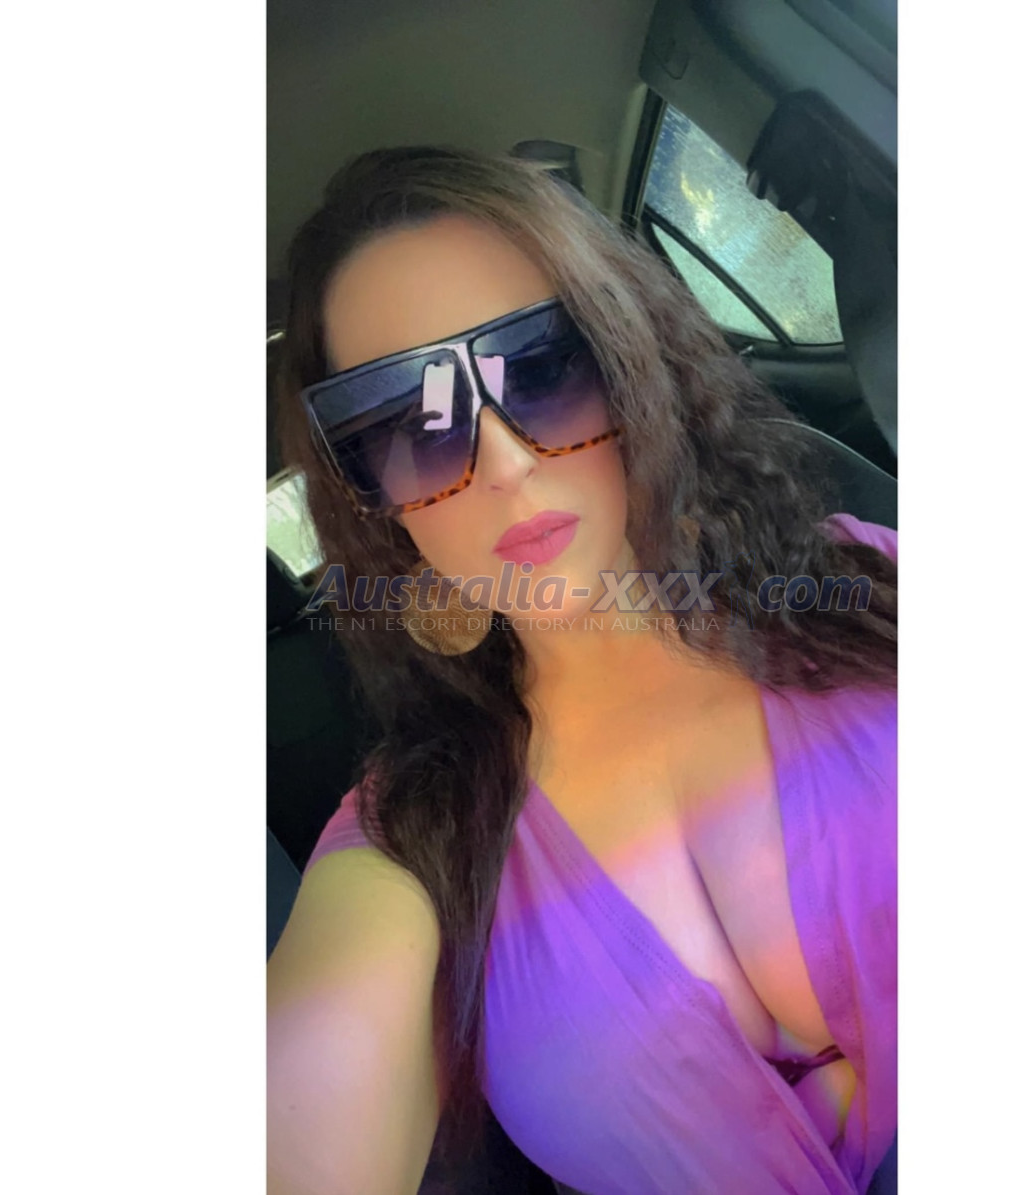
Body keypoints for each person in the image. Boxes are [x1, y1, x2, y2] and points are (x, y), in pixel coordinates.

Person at [266, 145, 898, 1195]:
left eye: (542, 365)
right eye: (411, 420)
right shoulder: (413, 836)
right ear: (368, 491)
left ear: (628, 353)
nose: (506, 460)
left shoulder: (869, 587)